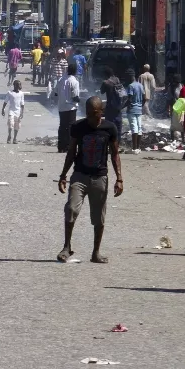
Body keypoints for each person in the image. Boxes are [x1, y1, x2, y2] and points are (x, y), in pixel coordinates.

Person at [57, 96, 123, 264]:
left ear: (101, 112)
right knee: (71, 209)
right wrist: (63, 175)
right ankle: (66, 247)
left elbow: (115, 154)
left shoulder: (110, 128)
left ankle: (96, 253)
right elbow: (71, 151)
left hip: (100, 177)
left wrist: (119, 179)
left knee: (99, 218)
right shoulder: (78, 127)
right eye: (88, 113)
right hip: (79, 175)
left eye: (94, 113)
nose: (91, 117)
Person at [55, 63, 81, 153]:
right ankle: (69, 147)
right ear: (75, 71)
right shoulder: (74, 82)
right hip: (71, 107)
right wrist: (81, 101)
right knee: (70, 127)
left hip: (61, 107)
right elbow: (75, 97)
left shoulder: (61, 79)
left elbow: (55, 93)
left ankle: (61, 147)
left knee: (62, 126)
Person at [125, 68, 145, 154]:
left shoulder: (131, 86)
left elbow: (129, 99)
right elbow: (144, 98)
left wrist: (121, 107)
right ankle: (138, 148)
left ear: (129, 77)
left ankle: (134, 148)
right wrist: (140, 105)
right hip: (139, 109)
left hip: (132, 109)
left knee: (134, 128)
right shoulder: (140, 85)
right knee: (139, 127)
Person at [100, 68, 125, 134]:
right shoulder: (117, 79)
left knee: (109, 124)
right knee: (118, 124)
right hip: (118, 105)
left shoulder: (106, 82)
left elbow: (102, 91)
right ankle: (118, 140)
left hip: (110, 106)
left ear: (105, 74)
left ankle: (110, 140)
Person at [2, 79, 25, 144]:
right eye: (18, 85)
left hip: (18, 111)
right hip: (11, 111)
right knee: (10, 124)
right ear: (15, 85)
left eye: (20, 85)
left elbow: (22, 104)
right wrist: (3, 109)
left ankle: (15, 138)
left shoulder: (21, 93)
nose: (20, 86)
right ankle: (9, 136)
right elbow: (5, 101)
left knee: (17, 126)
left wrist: (22, 112)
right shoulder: (10, 93)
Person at [167, 73, 184, 143]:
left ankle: (183, 138)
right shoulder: (171, 87)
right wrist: (168, 109)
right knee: (173, 123)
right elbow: (169, 98)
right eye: (176, 82)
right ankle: (172, 138)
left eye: (178, 82)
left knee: (182, 122)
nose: (177, 83)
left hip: (181, 107)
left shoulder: (182, 86)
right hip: (174, 106)